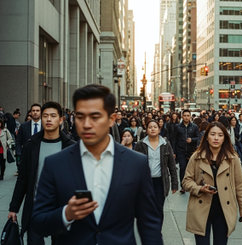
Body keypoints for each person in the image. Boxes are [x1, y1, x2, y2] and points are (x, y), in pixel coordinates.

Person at [31, 84, 163, 245]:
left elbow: (149, 223)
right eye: (80, 117)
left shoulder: (136, 163)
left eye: (95, 117)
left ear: (111, 119)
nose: (86, 124)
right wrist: (66, 214)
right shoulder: (55, 164)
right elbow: (38, 221)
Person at [8, 102, 75, 244]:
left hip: (61, 209)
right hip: (36, 208)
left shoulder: (70, 147)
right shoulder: (31, 145)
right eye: (45, 116)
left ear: (61, 119)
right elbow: (23, 179)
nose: (49, 119)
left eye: (53, 116)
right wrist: (14, 208)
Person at [182, 122, 242, 245]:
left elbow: (240, 186)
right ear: (206, 137)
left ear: (225, 138)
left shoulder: (233, 158)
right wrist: (200, 188)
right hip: (201, 208)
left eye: (220, 135)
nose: (216, 138)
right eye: (213, 134)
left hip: (224, 209)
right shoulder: (196, 157)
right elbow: (186, 181)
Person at [135, 120, 178, 225]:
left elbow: (172, 165)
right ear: (146, 130)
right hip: (145, 182)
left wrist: (174, 183)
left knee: (159, 208)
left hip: (160, 181)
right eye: (150, 127)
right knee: (146, 208)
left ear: (159, 130)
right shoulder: (141, 144)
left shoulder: (165, 144)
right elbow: (135, 165)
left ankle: (157, 230)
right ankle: (148, 229)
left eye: (155, 127)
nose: (153, 129)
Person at [174, 109, 200, 194]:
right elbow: (174, 140)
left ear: (190, 116)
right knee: (182, 168)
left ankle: (191, 185)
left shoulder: (194, 127)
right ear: (182, 116)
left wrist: (192, 140)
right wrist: (174, 152)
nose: (186, 117)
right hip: (181, 151)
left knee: (191, 170)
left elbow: (198, 138)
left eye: (188, 115)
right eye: (184, 115)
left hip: (191, 151)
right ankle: (183, 186)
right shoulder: (178, 127)